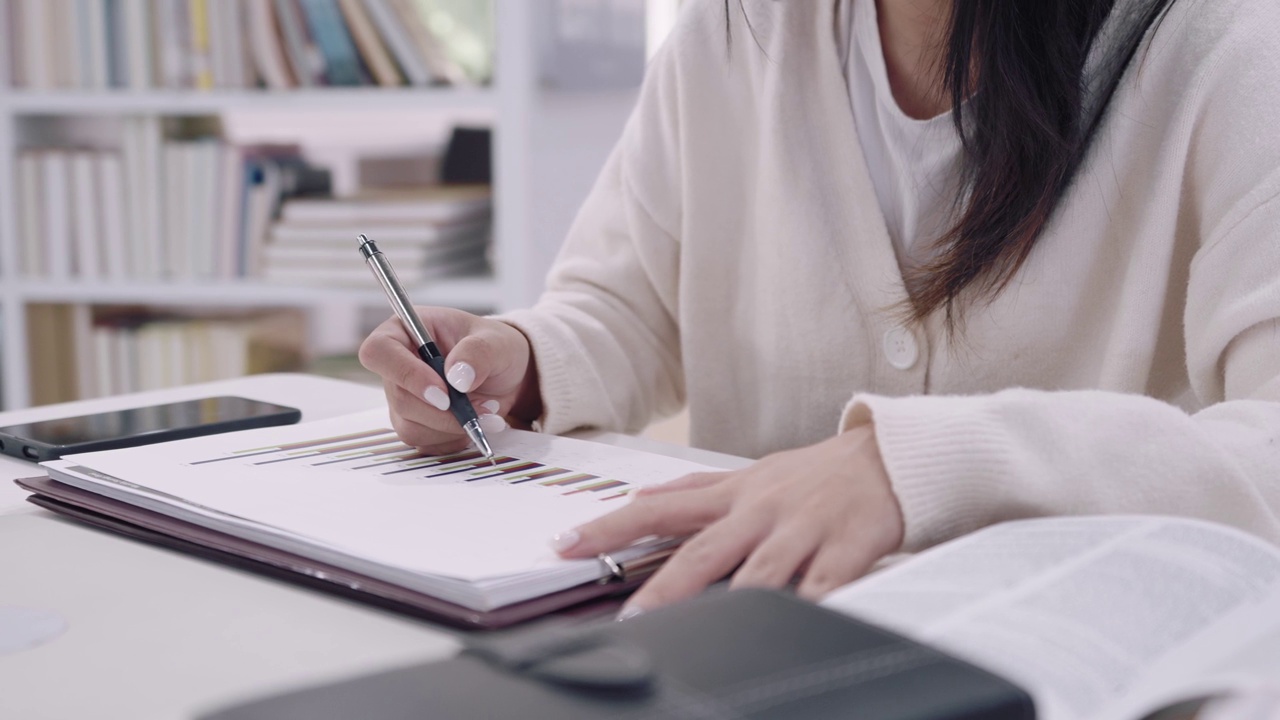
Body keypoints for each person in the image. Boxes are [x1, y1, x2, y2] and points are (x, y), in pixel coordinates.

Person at [359, 0, 1280, 618]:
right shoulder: (734, 35)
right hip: (748, 639)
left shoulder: (1234, 50)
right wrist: (517, 362)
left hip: (1069, 643)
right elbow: (626, 305)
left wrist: (912, 469)